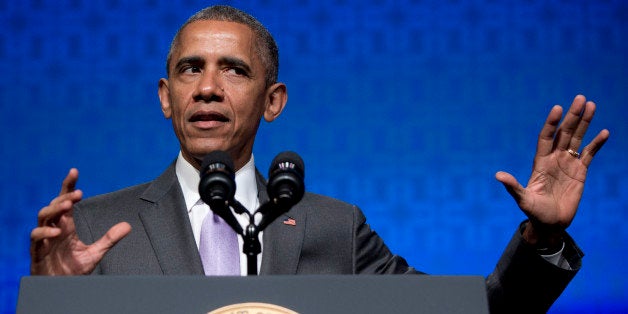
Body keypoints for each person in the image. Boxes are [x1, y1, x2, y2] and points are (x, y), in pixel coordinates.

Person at [29, 5, 610, 313]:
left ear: (273, 101)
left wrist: (543, 238)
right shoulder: (95, 230)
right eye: (190, 69)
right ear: (165, 98)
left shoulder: (335, 227)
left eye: (233, 70)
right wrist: (52, 303)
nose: (207, 88)